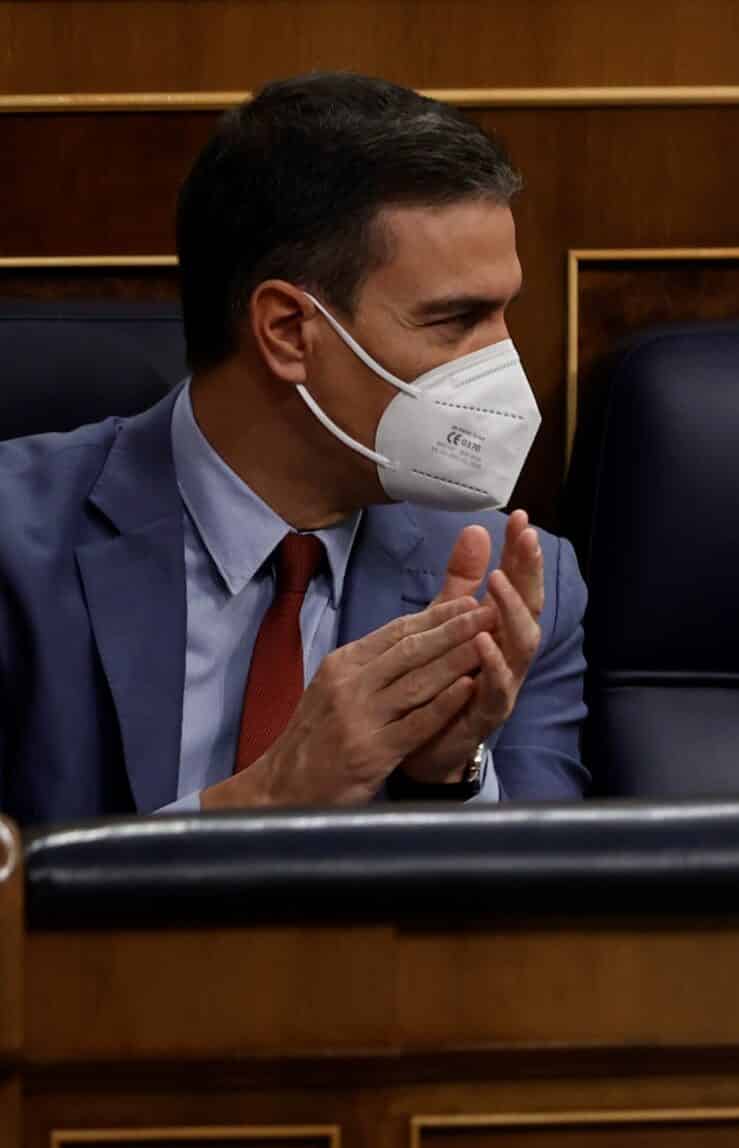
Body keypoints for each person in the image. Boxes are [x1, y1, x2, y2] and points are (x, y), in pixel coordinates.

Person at [0, 73, 588, 826]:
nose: (504, 363)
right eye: (457, 320)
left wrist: (451, 777)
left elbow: (549, 927)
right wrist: (263, 800)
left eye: (504, 313)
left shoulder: (512, 589)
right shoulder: (16, 551)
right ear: (285, 331)